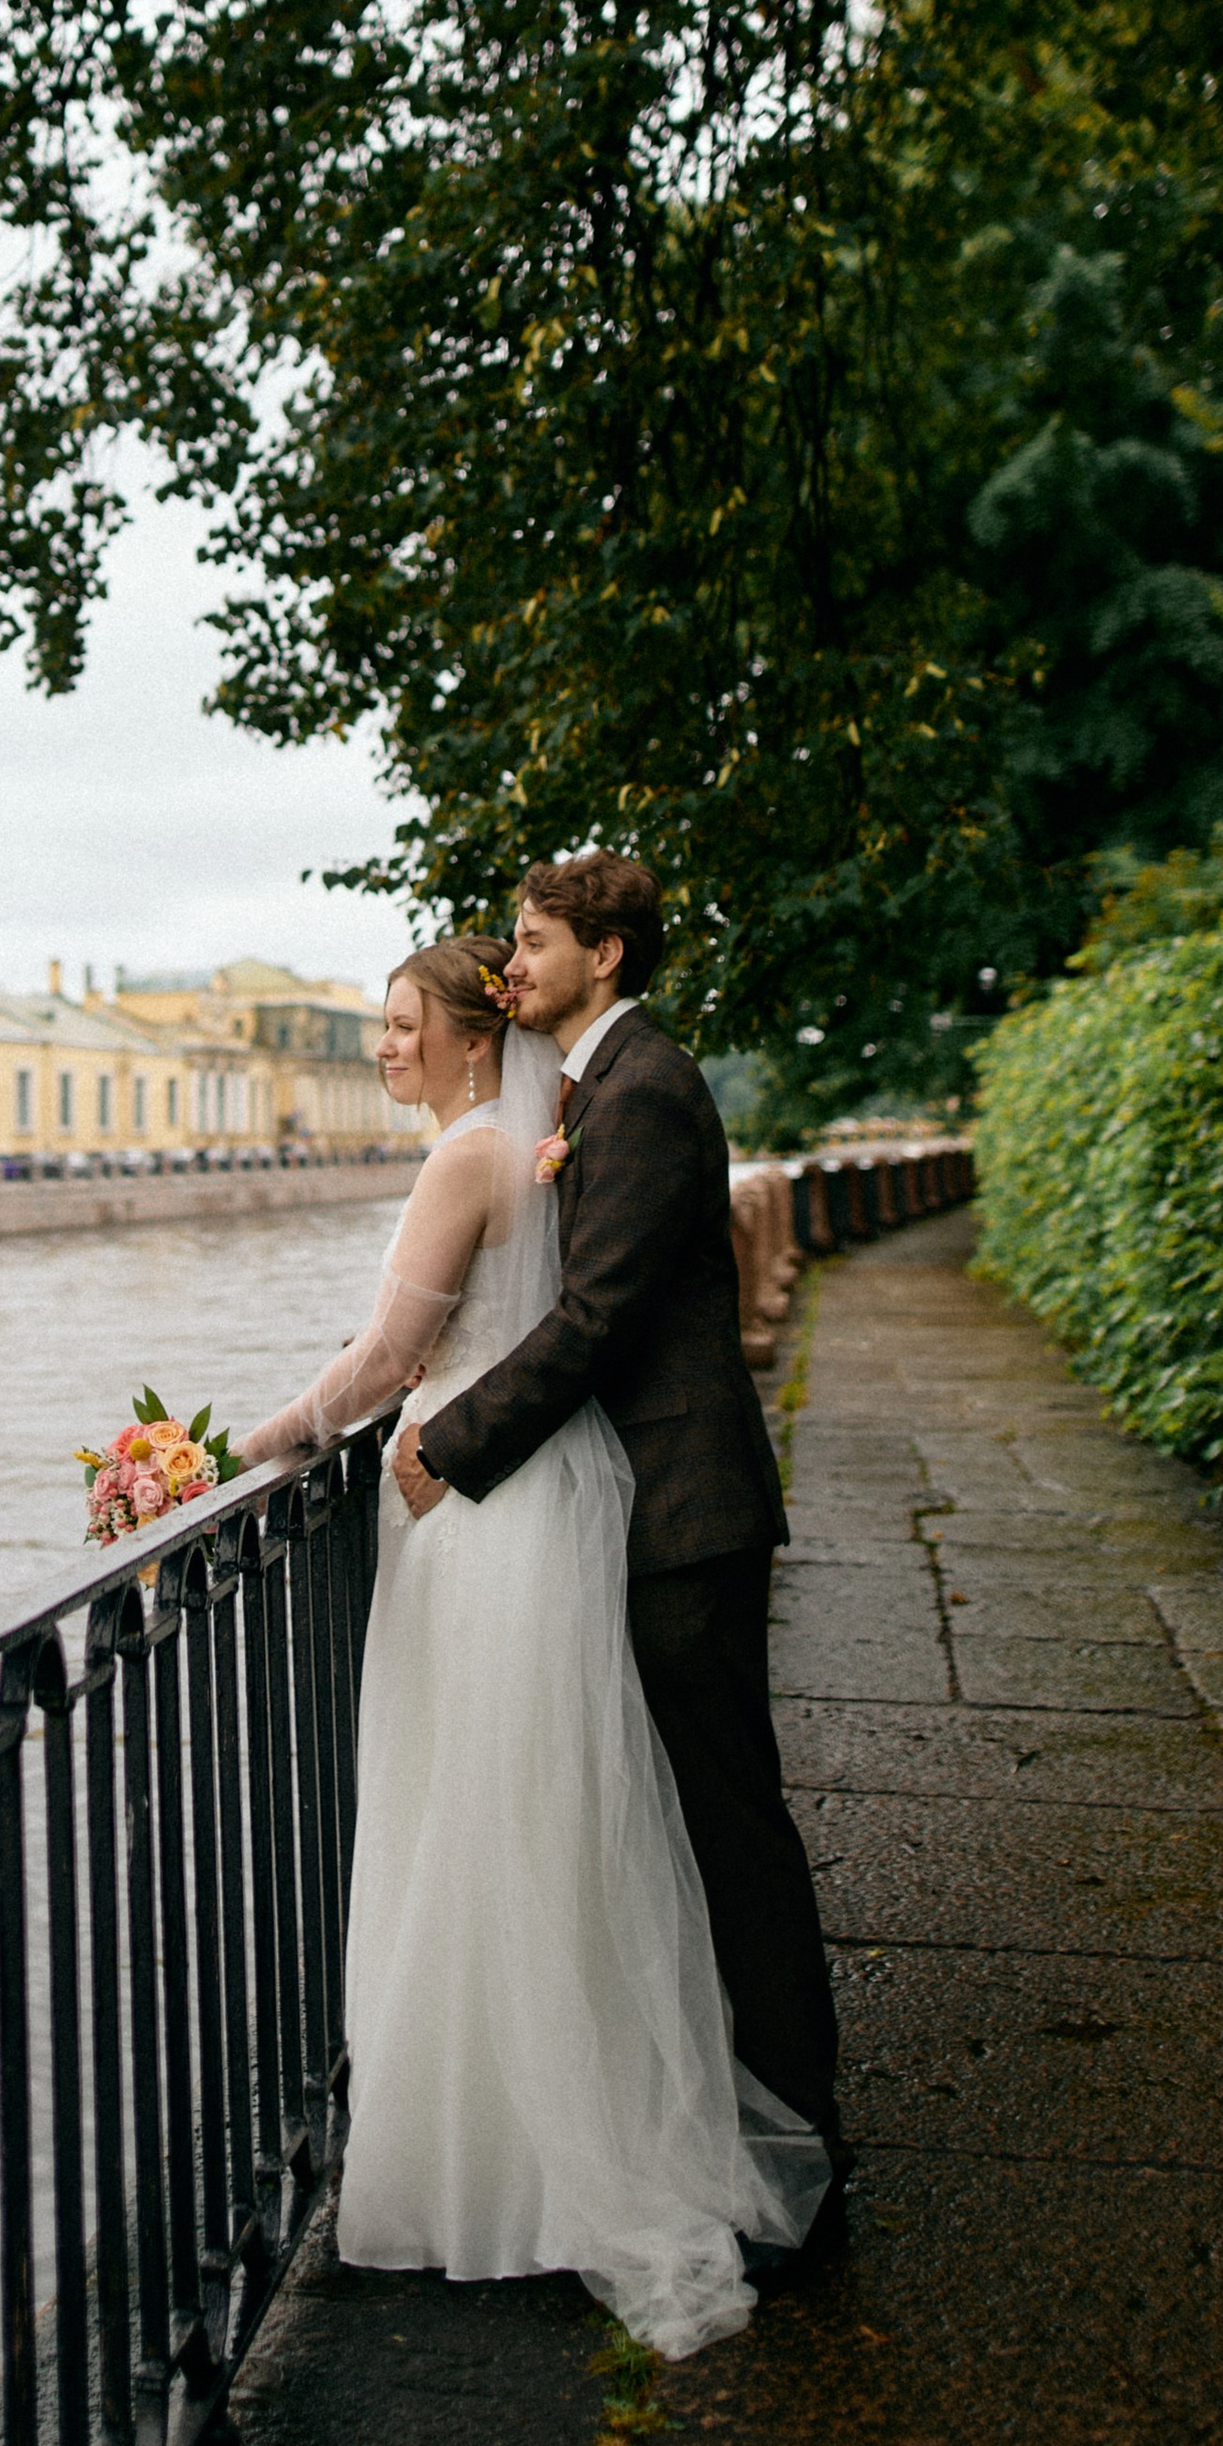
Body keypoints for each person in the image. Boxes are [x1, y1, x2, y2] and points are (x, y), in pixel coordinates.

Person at [235, 930, 827, 2358]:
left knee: (474, 1821)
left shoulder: (473, 1159)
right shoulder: (545, 1141)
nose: (377, 1046)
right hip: (553, 1502)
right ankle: (560, 2112)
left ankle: (494, 2153)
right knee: (546, 1824)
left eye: (393, 1025)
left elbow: (385, 1364)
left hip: (482, 1513)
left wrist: (232, 1454)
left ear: (458, 1038)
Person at [399, 854, 849, 2278]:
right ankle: (744, 2113)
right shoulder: (603, 1082)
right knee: (692, 1825)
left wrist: (448, 1444)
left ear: (604, 951)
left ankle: (803, 2151)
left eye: (529, 944)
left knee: (728, 1832)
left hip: (683, 1519)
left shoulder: (643, 1087)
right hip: (655, 1514)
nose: (508, 967)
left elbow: (592, 1318)